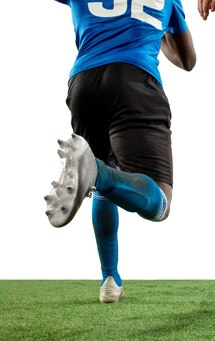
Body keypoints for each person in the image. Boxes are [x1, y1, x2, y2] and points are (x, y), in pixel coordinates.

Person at [45, 0, 197, 303]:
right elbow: (187, 59)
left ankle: (110, 280)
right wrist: (161, 29)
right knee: (160, 203)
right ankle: (96, 171)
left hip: (82, 85)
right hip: (134, 80)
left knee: (103, 175)